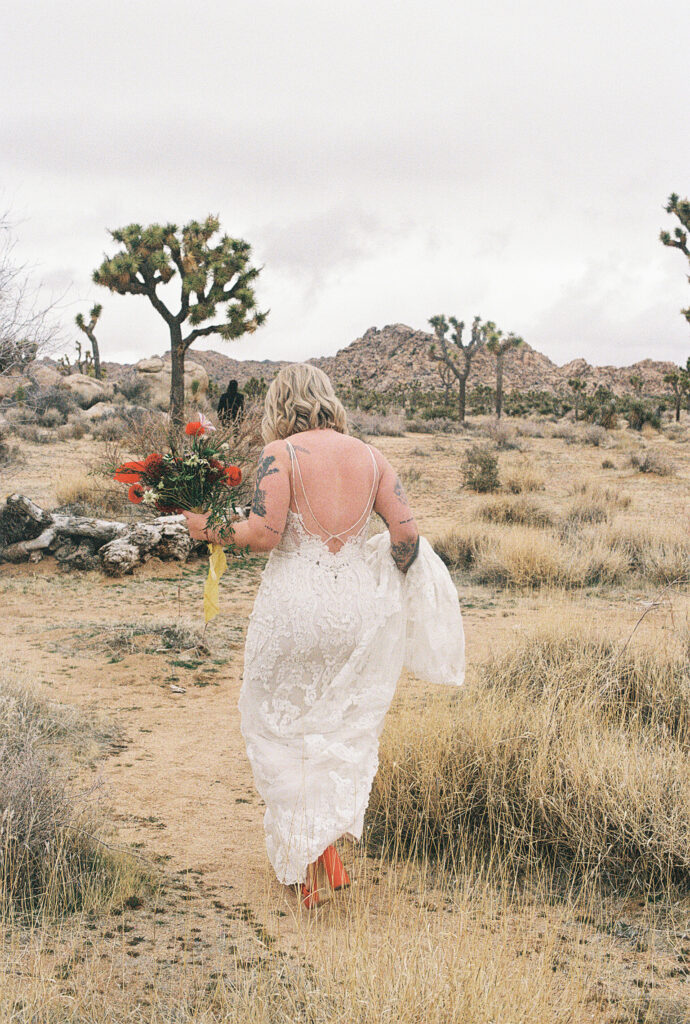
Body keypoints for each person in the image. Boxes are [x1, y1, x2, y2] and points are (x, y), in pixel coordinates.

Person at [182, 364, 464, 910]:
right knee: (336, 724)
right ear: (328, 399)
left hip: (294, 606)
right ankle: (323, 855)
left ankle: (312, 863)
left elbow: (264, 533)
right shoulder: (373, 457)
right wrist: (381, 572)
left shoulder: (281, 454)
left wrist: (204, 528)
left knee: (279, 724)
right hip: (355, 607)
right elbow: (406, 537)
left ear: (280, 404)